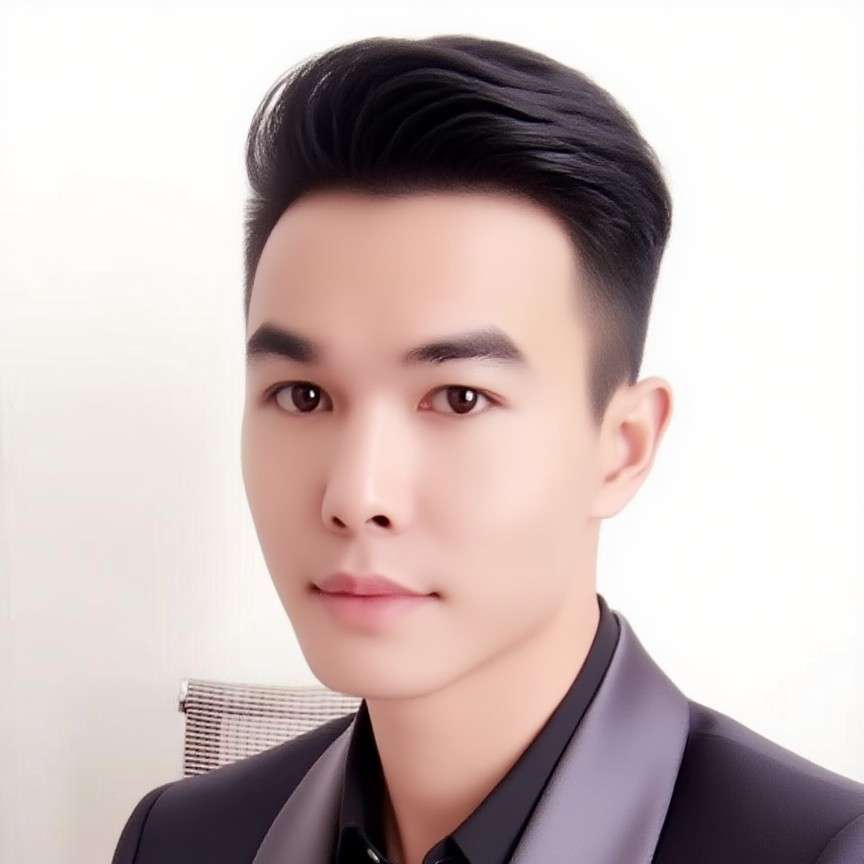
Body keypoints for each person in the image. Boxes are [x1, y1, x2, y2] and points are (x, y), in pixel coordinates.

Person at [111, 34, 864, 864]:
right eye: (304, 396)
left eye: (459, 397)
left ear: (622, 447)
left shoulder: (822, 850)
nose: (356, 495)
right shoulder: (180, 839)